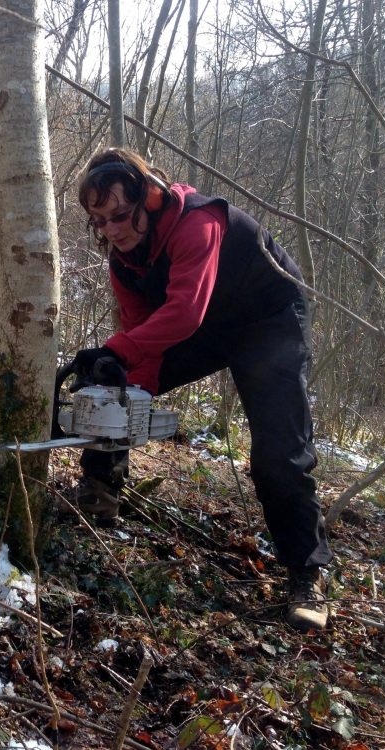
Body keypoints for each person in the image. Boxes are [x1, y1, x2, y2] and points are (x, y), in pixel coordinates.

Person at [69, 147, 333, 631]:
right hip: (203, 327)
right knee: (109, 380)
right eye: (100, 221)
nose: (112, 230)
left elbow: (184, 311)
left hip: (266, 319)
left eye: (121, 216)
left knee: (277, 452)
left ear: (148, 199)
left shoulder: (198, 223)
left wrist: (120, 349)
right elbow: (141, 339)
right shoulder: (123, 262)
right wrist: (119, 380)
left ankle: (306, 574)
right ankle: (100, 494)